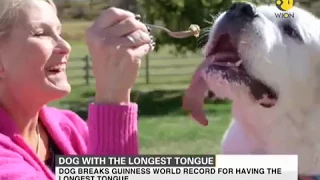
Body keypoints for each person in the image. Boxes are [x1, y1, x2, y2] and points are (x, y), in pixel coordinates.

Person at [0, 0, 153, 179]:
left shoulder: (70, 127)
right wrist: (113, 95)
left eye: (59, 32)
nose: (66, 47)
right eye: (40, 34)